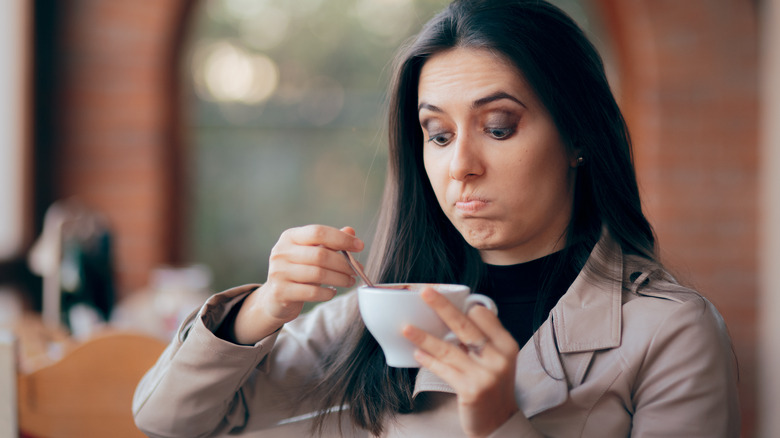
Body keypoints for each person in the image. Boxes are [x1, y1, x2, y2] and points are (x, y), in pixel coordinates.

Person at [133, 0, 740, 436]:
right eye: (439, 134)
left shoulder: (670, 333)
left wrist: (501, 421)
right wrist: (263, 308)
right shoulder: (380, 311)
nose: (461, 167)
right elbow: (169, 417)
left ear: (578, 132)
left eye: (498, 127)